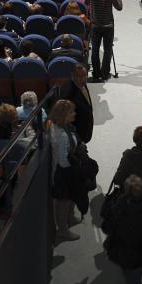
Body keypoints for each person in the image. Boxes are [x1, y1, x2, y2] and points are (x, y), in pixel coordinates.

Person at [50, 99, 82, 241]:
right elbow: (63, 161)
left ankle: (70, 217)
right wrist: (74, 171)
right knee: (64, 201)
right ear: (63, 115)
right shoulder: (61, 135)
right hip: (63, 173)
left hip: (68, 168)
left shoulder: (64, 126)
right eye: (71, 112)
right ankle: (63, 230)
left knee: (71, 197)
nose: (74, 114)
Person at [84, 0, 123, 81]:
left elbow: (86, 2)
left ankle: (96, 73)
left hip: (95, 25)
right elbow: (119, 7)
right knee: (107, 49)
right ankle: (105, 73)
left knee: (95, 49)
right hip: (108, 26)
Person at [61, 63, 95, 142]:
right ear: (72, 76)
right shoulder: (68, 96)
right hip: (78, 138)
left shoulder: (81, 84)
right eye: (79, 76)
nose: (83, 79)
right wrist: (78, 142)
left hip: (84, 132)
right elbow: (67, 123)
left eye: (84, 75)